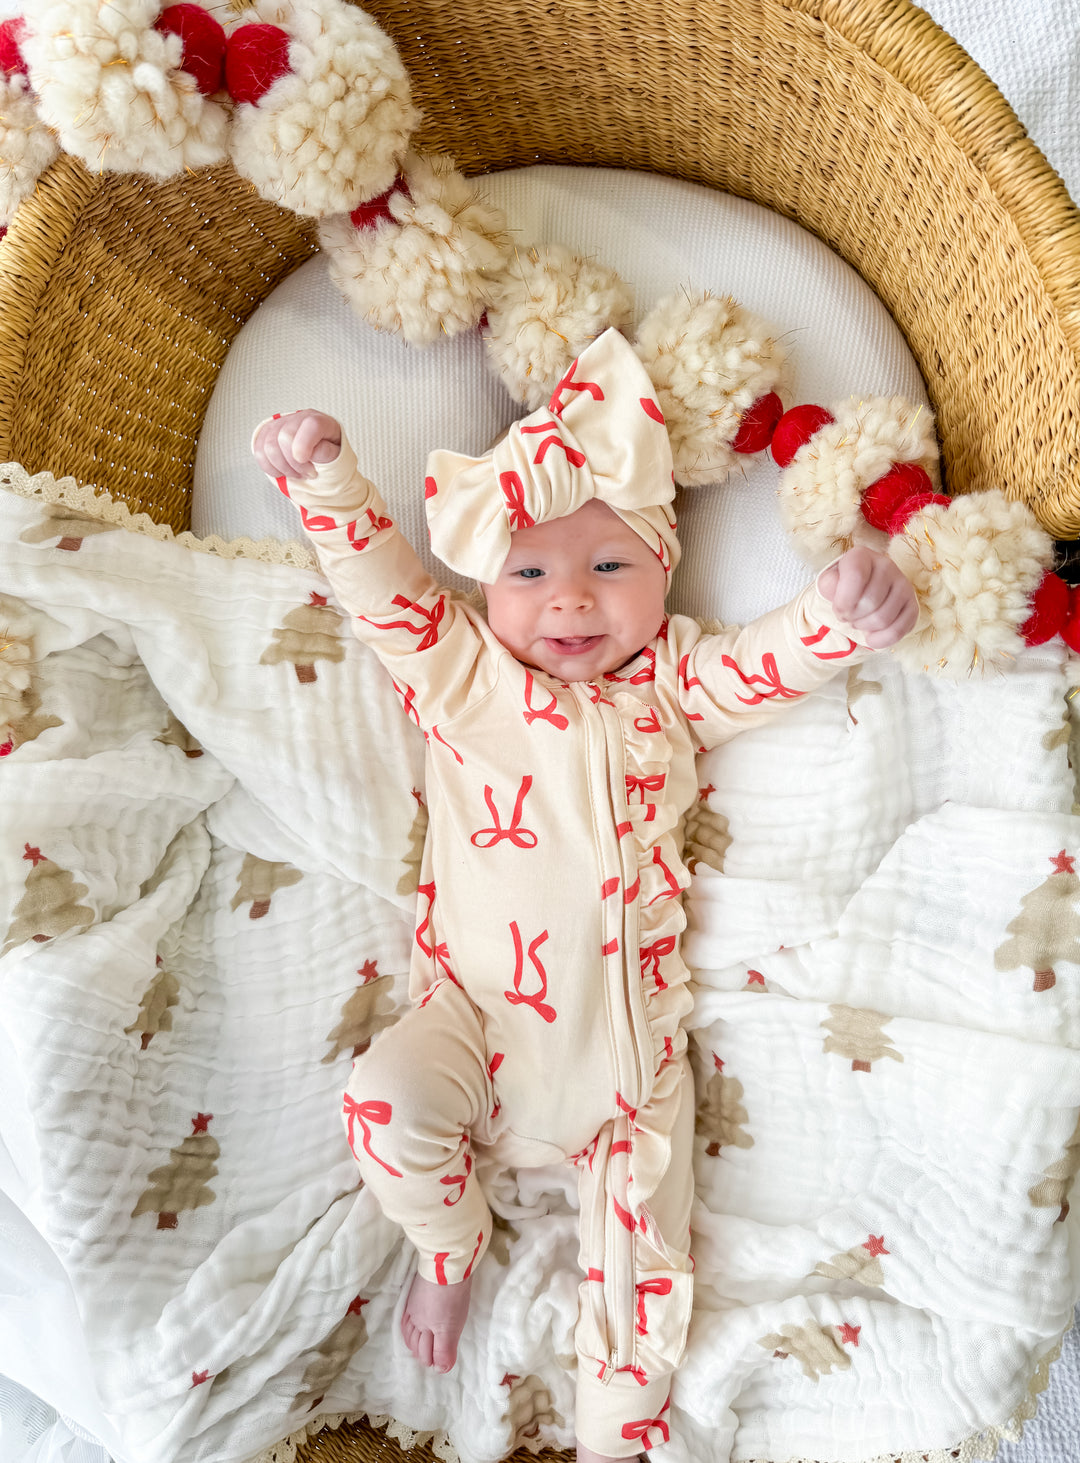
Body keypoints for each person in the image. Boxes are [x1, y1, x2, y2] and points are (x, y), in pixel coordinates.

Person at [252, 327, 918, 1463]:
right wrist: (327, 483)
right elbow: (385, 594)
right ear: (489, 588)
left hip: (630, 1082)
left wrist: (841, 618)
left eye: (608, 566)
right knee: (383, 1100)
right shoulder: (467, 678)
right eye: (529, 571)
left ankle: (618, 1436)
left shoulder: (674, 686)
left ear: (662, 570)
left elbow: (768, 657)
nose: (568, 599)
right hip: (474, 1025)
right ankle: (448, 1250)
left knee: (647, 1285)